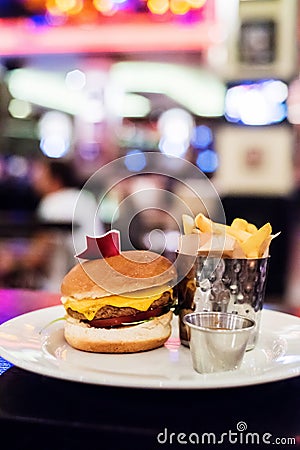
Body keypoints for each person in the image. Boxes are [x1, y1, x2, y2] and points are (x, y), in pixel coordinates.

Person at [0, 158, 105, 292]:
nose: (35, 180)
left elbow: (38, 256)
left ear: (56, 179)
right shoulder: (85, 198)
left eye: (40, 175)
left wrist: (12, 261)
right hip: (95, 282)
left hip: (61, 288)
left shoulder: (53, 203)